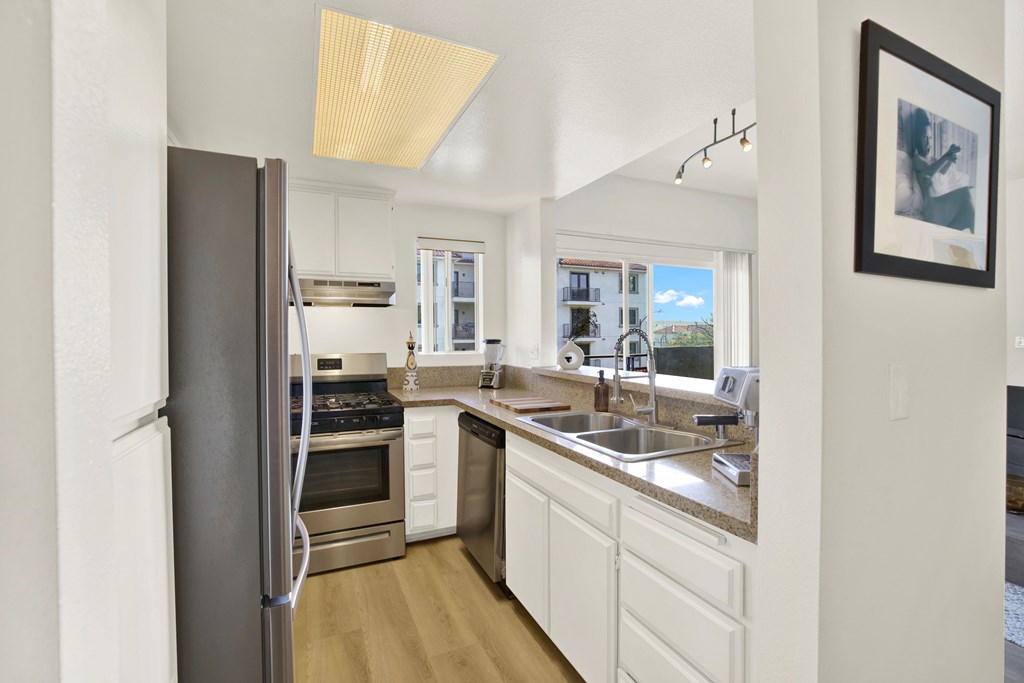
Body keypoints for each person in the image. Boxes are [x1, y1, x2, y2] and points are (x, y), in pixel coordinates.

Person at [911, 106, 975, 231]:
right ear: (917, 138)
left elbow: (942, 171)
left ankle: (971, 238)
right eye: (924, 137)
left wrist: (950, 159)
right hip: (931, 208)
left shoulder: (933, 159)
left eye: (929, 138)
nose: (928, 142)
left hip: (939, 206)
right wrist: (946, 156)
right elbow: (928, 170)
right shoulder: (917, 159)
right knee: (965, 195)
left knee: (966, 209)